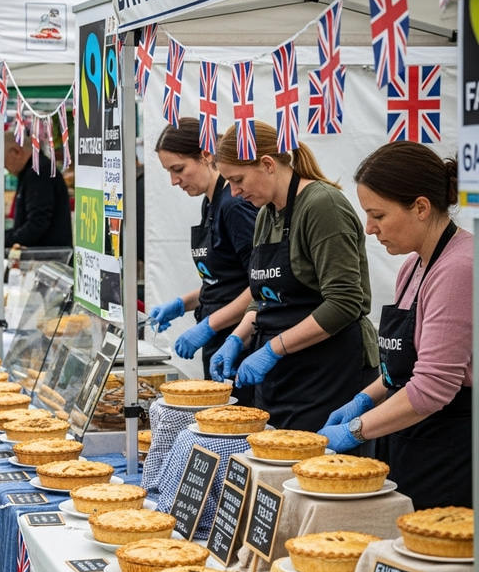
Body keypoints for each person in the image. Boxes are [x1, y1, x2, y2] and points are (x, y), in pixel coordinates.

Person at [319, 142, 472, 509]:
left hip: (448, 450)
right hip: (407, 437)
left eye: (378, 215)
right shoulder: (413, 265)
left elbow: (433, 386)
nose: (370, 229)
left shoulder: (459, 268)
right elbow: (401, 368)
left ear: (420, 207)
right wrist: (364, 399)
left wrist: (355, 430)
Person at [209, 121, 378, 431]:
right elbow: (263, 298)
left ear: (268, 164)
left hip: (328, 374)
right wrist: (237, 337)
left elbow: (344, 302)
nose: (234, 192)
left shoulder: (322, 205)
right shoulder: (265, 214)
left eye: (238, 179)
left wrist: (273, 349)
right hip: (284, 378)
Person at [149, 118, 258, 381]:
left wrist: (210, 326)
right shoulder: (210, 203)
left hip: (239, 342)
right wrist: (181, 304)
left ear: (206, 155)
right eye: (169, 173)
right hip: (219, 336)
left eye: (178, 169)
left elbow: (260, 284)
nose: (175, 181)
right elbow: (222, 280)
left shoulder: (234, 206)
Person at [0, 130, 72, 251]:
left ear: (16, 152)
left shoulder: (38, 172)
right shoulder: (32, 171)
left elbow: (37, 224)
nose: (4, 167)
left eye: (3, 160)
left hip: (48, 258)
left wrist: (0, 241)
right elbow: (26, 224)